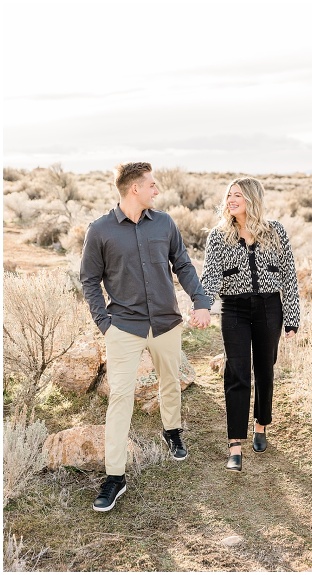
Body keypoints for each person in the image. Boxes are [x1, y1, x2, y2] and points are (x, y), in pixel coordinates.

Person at [81, 162, 212, 512]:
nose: (156, 191)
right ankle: (115, 476)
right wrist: (104, 324)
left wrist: (200, 301)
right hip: (123, 326)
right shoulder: (100, 230)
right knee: (120, 396)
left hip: (166, 323)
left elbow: (182, 264)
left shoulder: (165, 223)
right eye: (151, 185)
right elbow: (89, 281)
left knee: (170, 381)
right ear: (134, 189)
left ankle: (172, 432)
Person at [200, 177, 300, 472]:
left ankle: (261, 424)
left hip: (270, 308)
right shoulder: (218, 237)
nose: (231, 200)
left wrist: (292, 317)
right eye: (229, 195)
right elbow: (210, 278)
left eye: (238, 195)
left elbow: (289, 277)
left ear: (252, 199)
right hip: (234, 310)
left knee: (265, 369)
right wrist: (202, 306)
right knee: (237, 372)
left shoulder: (275, 231)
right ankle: (234, 445)